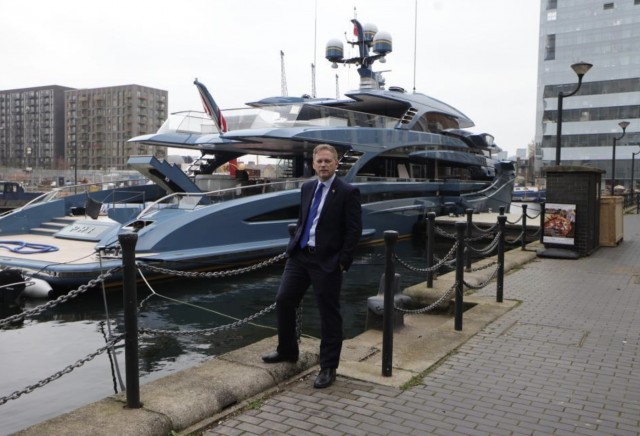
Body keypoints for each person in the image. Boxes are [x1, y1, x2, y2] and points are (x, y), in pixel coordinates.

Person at [262, 144, 362, 389]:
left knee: (328, 313)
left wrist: (343, 262)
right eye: (319, 161)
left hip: (327, 261)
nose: (323, 165)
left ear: (336, 164)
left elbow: (353, 231)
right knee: (284, 299)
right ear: (313, 164)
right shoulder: (307, 187)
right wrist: (295, 245)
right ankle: (287, 350)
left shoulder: (348, 191)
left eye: (328, 161)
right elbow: (303, 219)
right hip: (300, 256)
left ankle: (328, 367)